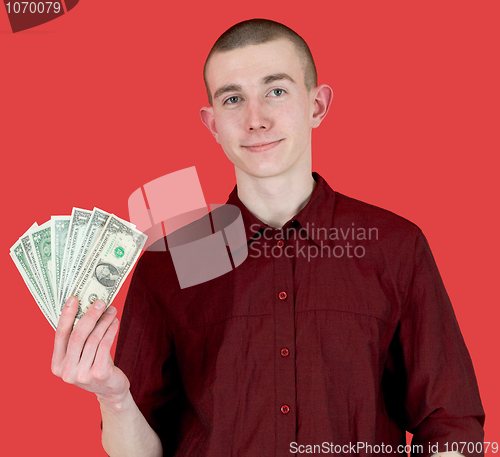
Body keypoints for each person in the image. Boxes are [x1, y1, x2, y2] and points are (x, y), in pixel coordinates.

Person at [51, 19, 485, 457]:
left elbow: (453, 425)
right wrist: (113, 397)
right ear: (212, 122)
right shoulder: (169, 262)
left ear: (317, 105)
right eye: (233, 99)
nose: (255, 120)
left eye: (276, 91)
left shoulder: (395, 246)